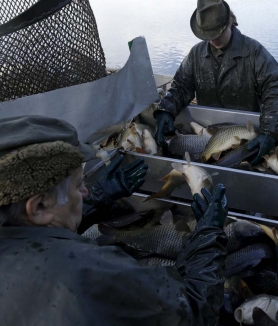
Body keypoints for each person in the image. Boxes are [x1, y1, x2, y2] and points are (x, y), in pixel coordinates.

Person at [0, 115, 229, 325]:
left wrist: (98, 200)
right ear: (39, 206)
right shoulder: (92, 273)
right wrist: (208, 233)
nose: (86, 192)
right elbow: (192, 311)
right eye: (79, 185)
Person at [154, 0, 278, 165]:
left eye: (218, 32)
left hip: (245, 133)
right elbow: (181, 86)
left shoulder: (254, 52)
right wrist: (166, 110)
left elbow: (276, 88)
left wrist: (269, 131)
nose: (212, 39)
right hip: (209, 133)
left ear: (229, 22)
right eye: (207, 34)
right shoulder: (196, 54)